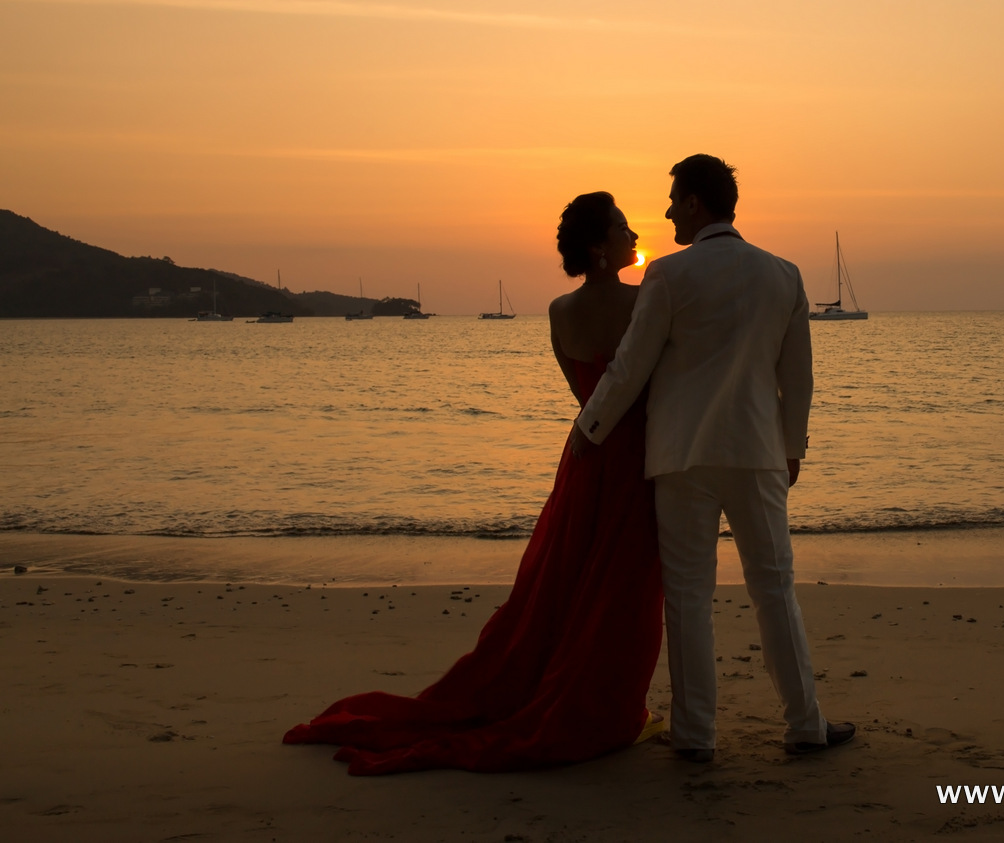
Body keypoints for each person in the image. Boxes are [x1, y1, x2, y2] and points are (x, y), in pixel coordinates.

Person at [282, 193, 664, 774]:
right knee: (621, 590)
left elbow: (585, 397)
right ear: (598, 247)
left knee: (567, 585)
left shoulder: (560, 311)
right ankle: (606, 704)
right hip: (634, 459)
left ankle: (580, 691)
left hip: (586, 455)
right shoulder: (644, 302)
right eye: (622, 226)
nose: (633, 233)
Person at [571, 153, 853, 762]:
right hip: (758, 453)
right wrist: (793, 448)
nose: (669, 211)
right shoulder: (783, 275)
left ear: (696, 203)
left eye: (675, 200)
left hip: (682, 456)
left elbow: (632, 365)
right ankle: (805, 724)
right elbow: (797, 378)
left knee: (688, 598)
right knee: (775, 589)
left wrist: (589, 427)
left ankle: (697, 735)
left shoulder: (668, 275)